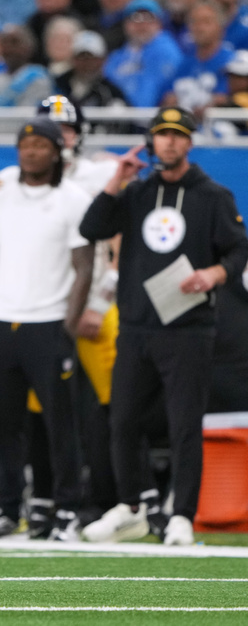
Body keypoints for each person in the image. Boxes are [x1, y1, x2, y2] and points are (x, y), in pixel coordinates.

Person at [79, 106, 248, 545]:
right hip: (136, 327)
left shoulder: (213, 195)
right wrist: (117, 179)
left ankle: (181, 515)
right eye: (162, 135)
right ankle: (131, 506)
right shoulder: (136, 192)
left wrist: (214, 275)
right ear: (151, 141)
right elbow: (92, 227)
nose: (169, 142)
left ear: (190, 142)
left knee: (184, 423)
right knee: (123, 420)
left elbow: (238, 250)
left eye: (177, 135)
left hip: (189, 329)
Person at [0, 118, 93, 541]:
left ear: (58, 151)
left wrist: (68, 327)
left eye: (41, 144)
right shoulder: (1, 201)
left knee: (61, 426)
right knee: (2, 427)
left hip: (49, 324)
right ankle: (6, 510)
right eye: (25, 144)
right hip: (1, 324)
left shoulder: (74, 199)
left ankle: (68, 511)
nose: (31, 151)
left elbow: (84, 267)